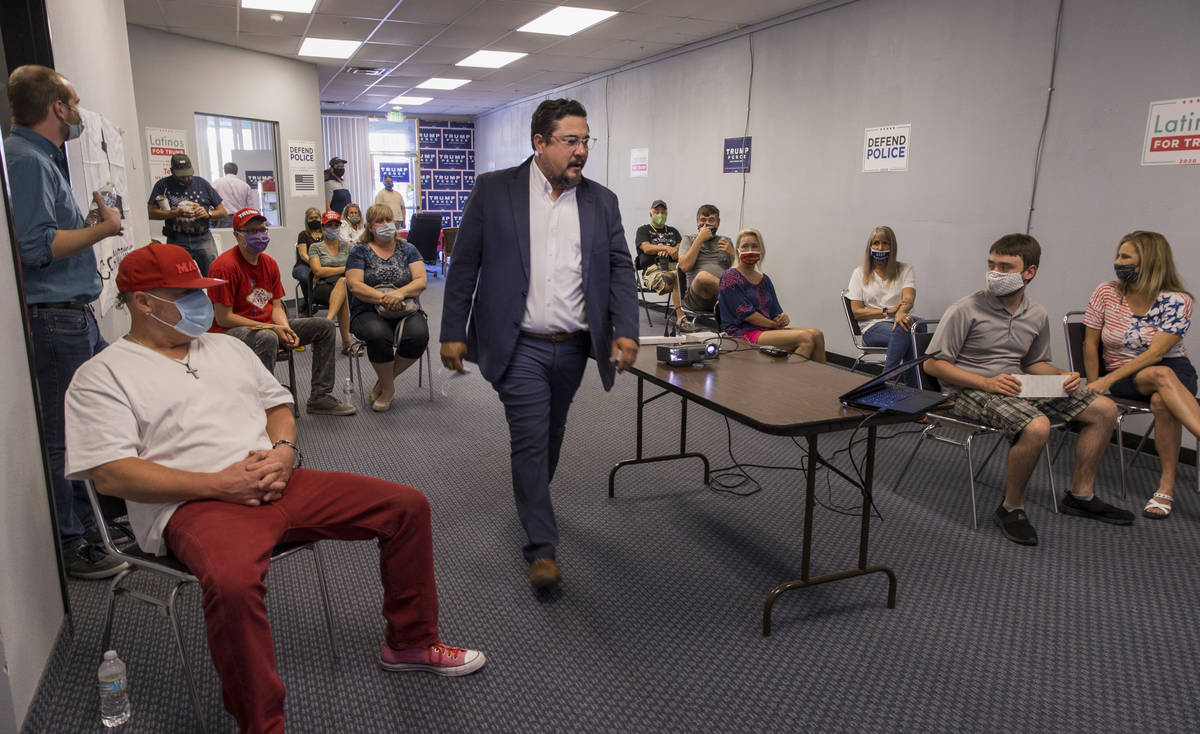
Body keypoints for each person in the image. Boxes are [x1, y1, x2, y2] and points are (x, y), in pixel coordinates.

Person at [64, 242, 485, 734]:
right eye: (186, 294)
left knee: (406, 506)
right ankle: (261, 723)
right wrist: (219, 484)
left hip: (277, 479)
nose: (201, 304)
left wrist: (284, 450)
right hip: (193, 505)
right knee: (234, 583)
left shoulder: (224, 347)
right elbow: (112, 473)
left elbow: (277, 406)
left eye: (201, 292)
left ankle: (410, 641)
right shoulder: (102, 375)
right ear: (144, 302)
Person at [440, 98, 639, 590]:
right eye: (571, 141)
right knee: (530, 438)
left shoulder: (602, 201)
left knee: (550, 436)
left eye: (586, 140)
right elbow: (465, 265)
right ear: (540, 143)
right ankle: (542, 548)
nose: (582, 151)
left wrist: (627, 328)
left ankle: (531, 500)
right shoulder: (494, 191)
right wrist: (451, 331)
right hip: (517, 343)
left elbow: (619, 268)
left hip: (572, 345)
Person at [925, 233, 1132, 546]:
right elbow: (933, 365)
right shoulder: (965, 309)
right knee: (1037, 426)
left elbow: (1034, 363)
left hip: (1017, 385)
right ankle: (1012, 507)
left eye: (1006, 267)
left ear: (1029, 272)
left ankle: (1080, 495)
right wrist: (986, 382)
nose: (995, 272)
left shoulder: (1036, 314)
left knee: (1104, 409)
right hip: (967, 390)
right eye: (991, 264)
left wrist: (1065, 376)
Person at [5, 64, 128, 579]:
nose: (79, 115)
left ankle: (96, 519)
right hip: (54, 319)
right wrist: (103, 231)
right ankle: (73, 541)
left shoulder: (43, 160)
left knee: (99, 419)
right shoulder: (27, 160)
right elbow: (35, 250)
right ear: (58, 107)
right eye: (74, 104)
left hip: (74, 316)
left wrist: (90, 226)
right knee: (64, 434)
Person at [1082, 231, 1199, 519]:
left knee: (1162, 400)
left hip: (1173, 371)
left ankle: (1165, 488)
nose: (1117, 262)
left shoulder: (1178, 300)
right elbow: (1090, 343)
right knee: (1159, 376)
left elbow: (1156, 354)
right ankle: (1166, 488)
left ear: (1149, 262)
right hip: (1123, 375)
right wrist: (1097, 383)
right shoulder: (1106, 292)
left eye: (1125, 257)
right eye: (1118, 255)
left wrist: (1104, 381)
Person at [207, 208, 356, 416]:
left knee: (325, 326)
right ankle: (261, 404)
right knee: (267, 337)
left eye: (261, 229)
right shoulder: (223, 267)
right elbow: (224, 318)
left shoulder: (269, 264)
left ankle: (319, 398)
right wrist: (273, 328)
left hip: (270, 325)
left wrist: (285, 328)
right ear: (237, 235)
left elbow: (276, 306)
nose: (258, 235)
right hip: (230, 333)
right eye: (251, 231)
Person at [346, 204, 430, 412]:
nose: (385, 225)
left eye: (388, 220)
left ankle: (382, 383)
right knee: (378, 335)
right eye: (379, 221)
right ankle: (389, 389)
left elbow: (420, 281)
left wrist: (399, 293)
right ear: (370, 227)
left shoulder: (408, 249)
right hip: (367, 310)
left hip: (406, 307)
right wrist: (384, 299)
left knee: (418, 335)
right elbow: (355, 285)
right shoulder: (359, 251)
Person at [718, 229, 826, 361]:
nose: (750, 250)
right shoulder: (730, 276)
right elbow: (747, 314)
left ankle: (819, 381)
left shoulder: (765, 280)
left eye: (754, 246)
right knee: (807, 338)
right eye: (745, 246)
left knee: (817, 335)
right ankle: (791, 380)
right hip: (742, 333)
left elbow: (775, 311)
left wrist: (782, 318)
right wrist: (774, 325)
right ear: (738, 250)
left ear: (761, 250)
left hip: (766, 330)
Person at [847, 226, 922, 386]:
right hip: (872, 327)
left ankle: (907, 387)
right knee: (907, 330)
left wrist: (901, 313)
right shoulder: (859, 273)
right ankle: (888, 383)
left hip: (899, 322)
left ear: (892, 246)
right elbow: (857, 312)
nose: (880, 248)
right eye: (876, 243)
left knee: (918, 325)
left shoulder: (905, 269)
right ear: (870, 246)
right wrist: (887, 311)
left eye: (885, 243)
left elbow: (908, 297)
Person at [147, 153, 226, 275]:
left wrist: (208, 214)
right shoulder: (162, 185)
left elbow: (222, 211)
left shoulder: (202, 184)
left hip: (203, 238)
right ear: (172, 171)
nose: (186, 179)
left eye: (189, 175)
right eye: (182, 176)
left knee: (213, 276)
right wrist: (173, 214)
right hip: (177, 239)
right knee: (178, 278)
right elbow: (150, 213)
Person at [676, 203, 734, 326]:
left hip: (720, 298)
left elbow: (738, 273)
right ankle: (740, 300)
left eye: (711, 220)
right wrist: (699, 239)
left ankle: (740, 302)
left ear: (717, 223)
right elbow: (684, 267)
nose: (706, 224)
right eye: (703, 220)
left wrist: (732, 254)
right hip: (696, 297)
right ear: (697, 222)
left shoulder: (726, 241)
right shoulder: (688, 240)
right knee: (703, 277)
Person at [308, 212, 353, 354]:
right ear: (323, 228)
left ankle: (326, 323)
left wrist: (329, 270)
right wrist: (344, 269)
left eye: (336, 225)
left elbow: (355, 269)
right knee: (343, 287)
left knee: (343, 284)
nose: (333, 228)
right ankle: (347, 344)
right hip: (323, 287)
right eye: (329, 225)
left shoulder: (348, 247)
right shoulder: (315, 247)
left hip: (346, 286)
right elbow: (318, 272)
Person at [636, 199, 682, 295]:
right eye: (656, 212)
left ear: (666, 214)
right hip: (654, 269)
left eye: (663, 212)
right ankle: (674, 275)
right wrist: (666, 248)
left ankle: (674, 274)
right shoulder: (643, 230)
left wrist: (672, 251)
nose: (660, 214)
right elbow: (646, 248)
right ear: (651, 214)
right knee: (678, 280)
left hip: (674, 266)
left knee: (691, 280)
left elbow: (680, 248)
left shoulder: (673, 231)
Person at [293, 207, 324, 314]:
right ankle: (310, 302)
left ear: (321, 219)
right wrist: (315, 265)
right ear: (307, 220)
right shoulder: (303, 234)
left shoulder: (326, 234)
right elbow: (303, 254)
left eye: (316, 217)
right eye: (311, 218)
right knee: (305, 276)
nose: (314, 220)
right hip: (305, 264)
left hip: (324, 264)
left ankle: (309, 303)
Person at [211, 162, 255, 227]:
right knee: (239, 236)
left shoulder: (217, 183)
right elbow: (251, 208)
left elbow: (210, 200)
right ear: (236, 171)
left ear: (225, 171)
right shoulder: (245, 185)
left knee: (225, 236)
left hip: (223, 218)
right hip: (241, 218)